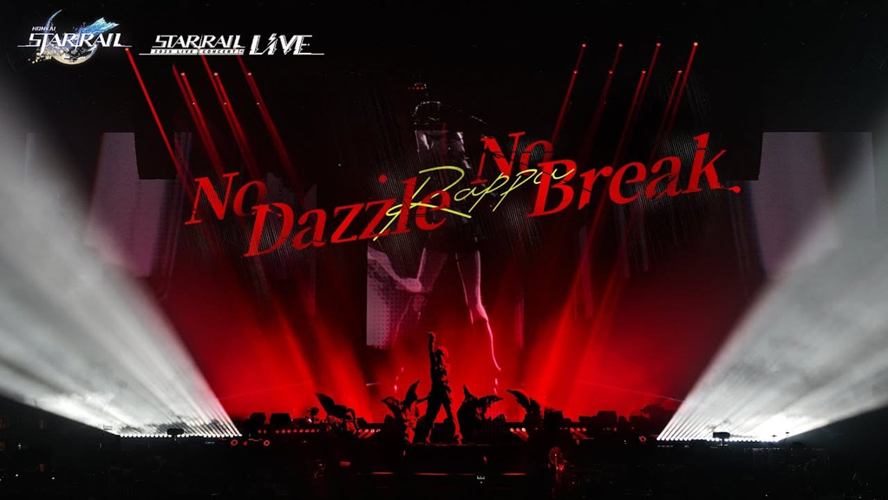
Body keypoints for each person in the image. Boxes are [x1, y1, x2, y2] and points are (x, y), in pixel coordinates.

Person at [418, 331, 461, 443]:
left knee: (451, 414)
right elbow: (430, 351)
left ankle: (456, 436)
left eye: (440, 354)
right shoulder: (434, 364)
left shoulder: (447, 366)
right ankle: (425, 437)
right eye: (437, 354)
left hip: (445, 391)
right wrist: (432, 340)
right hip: (436, 391)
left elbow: (445, 375)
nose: (438, 356)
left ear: (444, 356)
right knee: (430, 415)